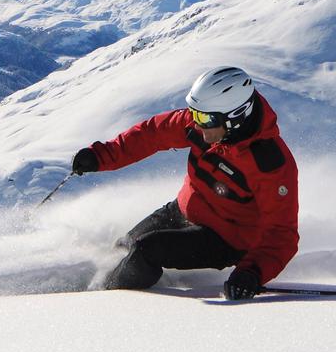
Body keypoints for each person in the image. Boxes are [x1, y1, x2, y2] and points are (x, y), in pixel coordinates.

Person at [70, 65, 299, 301]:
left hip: (224, 239)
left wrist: (251, 273)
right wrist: (101, 156)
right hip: (182, 209)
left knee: (145, 251)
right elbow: (152, 134)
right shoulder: (206, 123)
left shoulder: (270, 164)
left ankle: (102, 300)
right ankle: (103, 280)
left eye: (204, 118)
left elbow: (282, 235)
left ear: (236, 117)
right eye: (195, 113)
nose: (195, 124)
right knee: (124, 246)